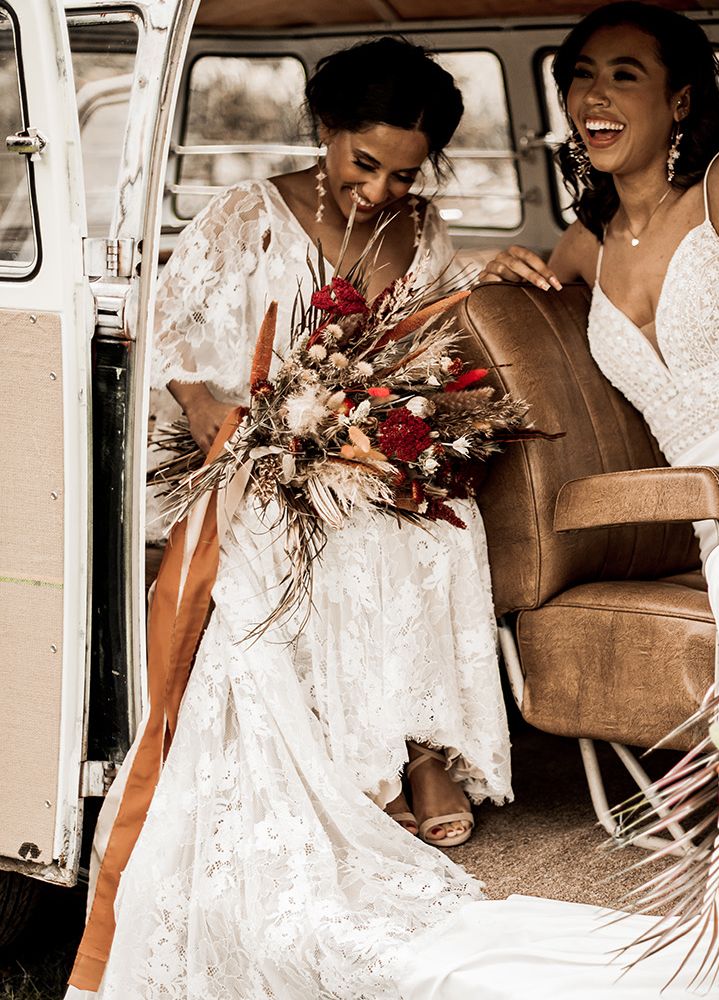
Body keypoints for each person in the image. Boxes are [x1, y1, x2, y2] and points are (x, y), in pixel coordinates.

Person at [406, 3, 719, 996]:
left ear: (680, 97)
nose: (593, 95)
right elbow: (528, 294)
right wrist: (494, 272)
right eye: (580, 75)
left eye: (623, 75)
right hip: (717, 488)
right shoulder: (583, 244)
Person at [67, 38, 511, 1000]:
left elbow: (424, 350)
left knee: (436, 522)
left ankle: (422, 750)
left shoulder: (420, 230)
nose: (380, 192)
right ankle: (368, 773)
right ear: (325, 132)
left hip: (350, 445)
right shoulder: (246, 212)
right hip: (249, 456)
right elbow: (179, 339)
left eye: (402, 173)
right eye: (364, 165)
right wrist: (216, 418)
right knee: (329, 538)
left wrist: (392, 433)